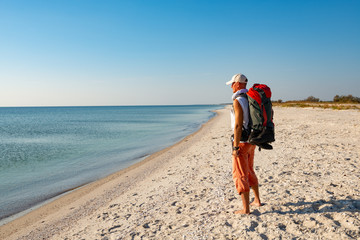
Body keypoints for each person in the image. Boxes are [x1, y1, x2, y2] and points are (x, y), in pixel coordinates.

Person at [226, 73, 262, 214]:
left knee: (240, 173)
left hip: (242, 142)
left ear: (238, 84)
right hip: (252, 141)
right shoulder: (251, 98)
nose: (231, 87)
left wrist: (235, 146)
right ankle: (257, 201)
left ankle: (246, 209)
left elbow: (238, 126)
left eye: (232, 84)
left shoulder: (238, 100)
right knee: (249, 170)